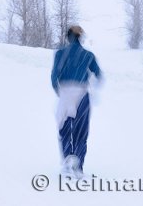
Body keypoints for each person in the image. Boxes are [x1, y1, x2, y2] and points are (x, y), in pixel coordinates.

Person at [51, 25, 102, 178]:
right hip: (82, 95)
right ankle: (78, 167)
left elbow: (54, 77)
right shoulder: (88, 55)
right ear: (80, 37)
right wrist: (92, 88)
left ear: (68, 37)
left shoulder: (60, 54)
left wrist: (60, 92)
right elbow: (98, 74)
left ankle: (67, 162)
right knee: (81, 133)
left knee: (65, 130)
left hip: (66, 95)